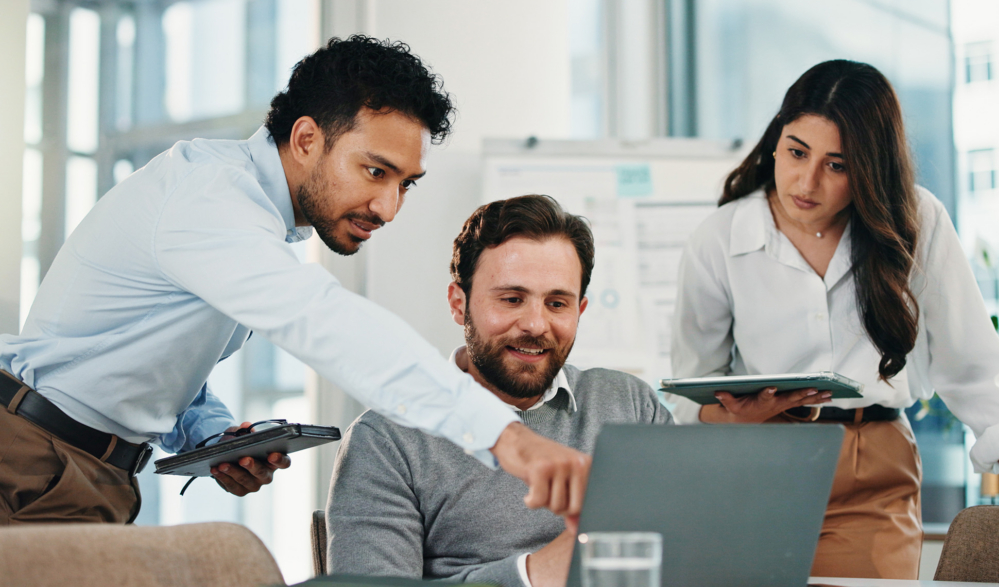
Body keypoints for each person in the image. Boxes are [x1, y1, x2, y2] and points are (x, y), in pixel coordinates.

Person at [0, 36, 590, 526]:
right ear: (307, 139)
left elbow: (144, 350)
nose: (389, 207)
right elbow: (323, 319)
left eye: (406, 183)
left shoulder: (249, 222)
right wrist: (506, 437)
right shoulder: (209, 198)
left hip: (87, 471)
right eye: (375, 171)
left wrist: (213, 436)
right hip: (31, 462)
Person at [670, 59, 999, 579]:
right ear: (776, 140)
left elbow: (972, 374)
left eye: (837, 165)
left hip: (872, 470)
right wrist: (731, 417)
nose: (806, 181)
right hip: (758, 465)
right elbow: (690, 394)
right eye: (796, 152)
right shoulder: (720, 238)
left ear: (868, 169)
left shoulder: (916, 222)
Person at [326, 195, 672, 587]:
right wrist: (534, 573)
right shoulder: (386, 441)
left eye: (557, 303)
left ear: (581, 310)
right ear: (459, 304)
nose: (535, 325)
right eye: (512, 299)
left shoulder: (631, 406)